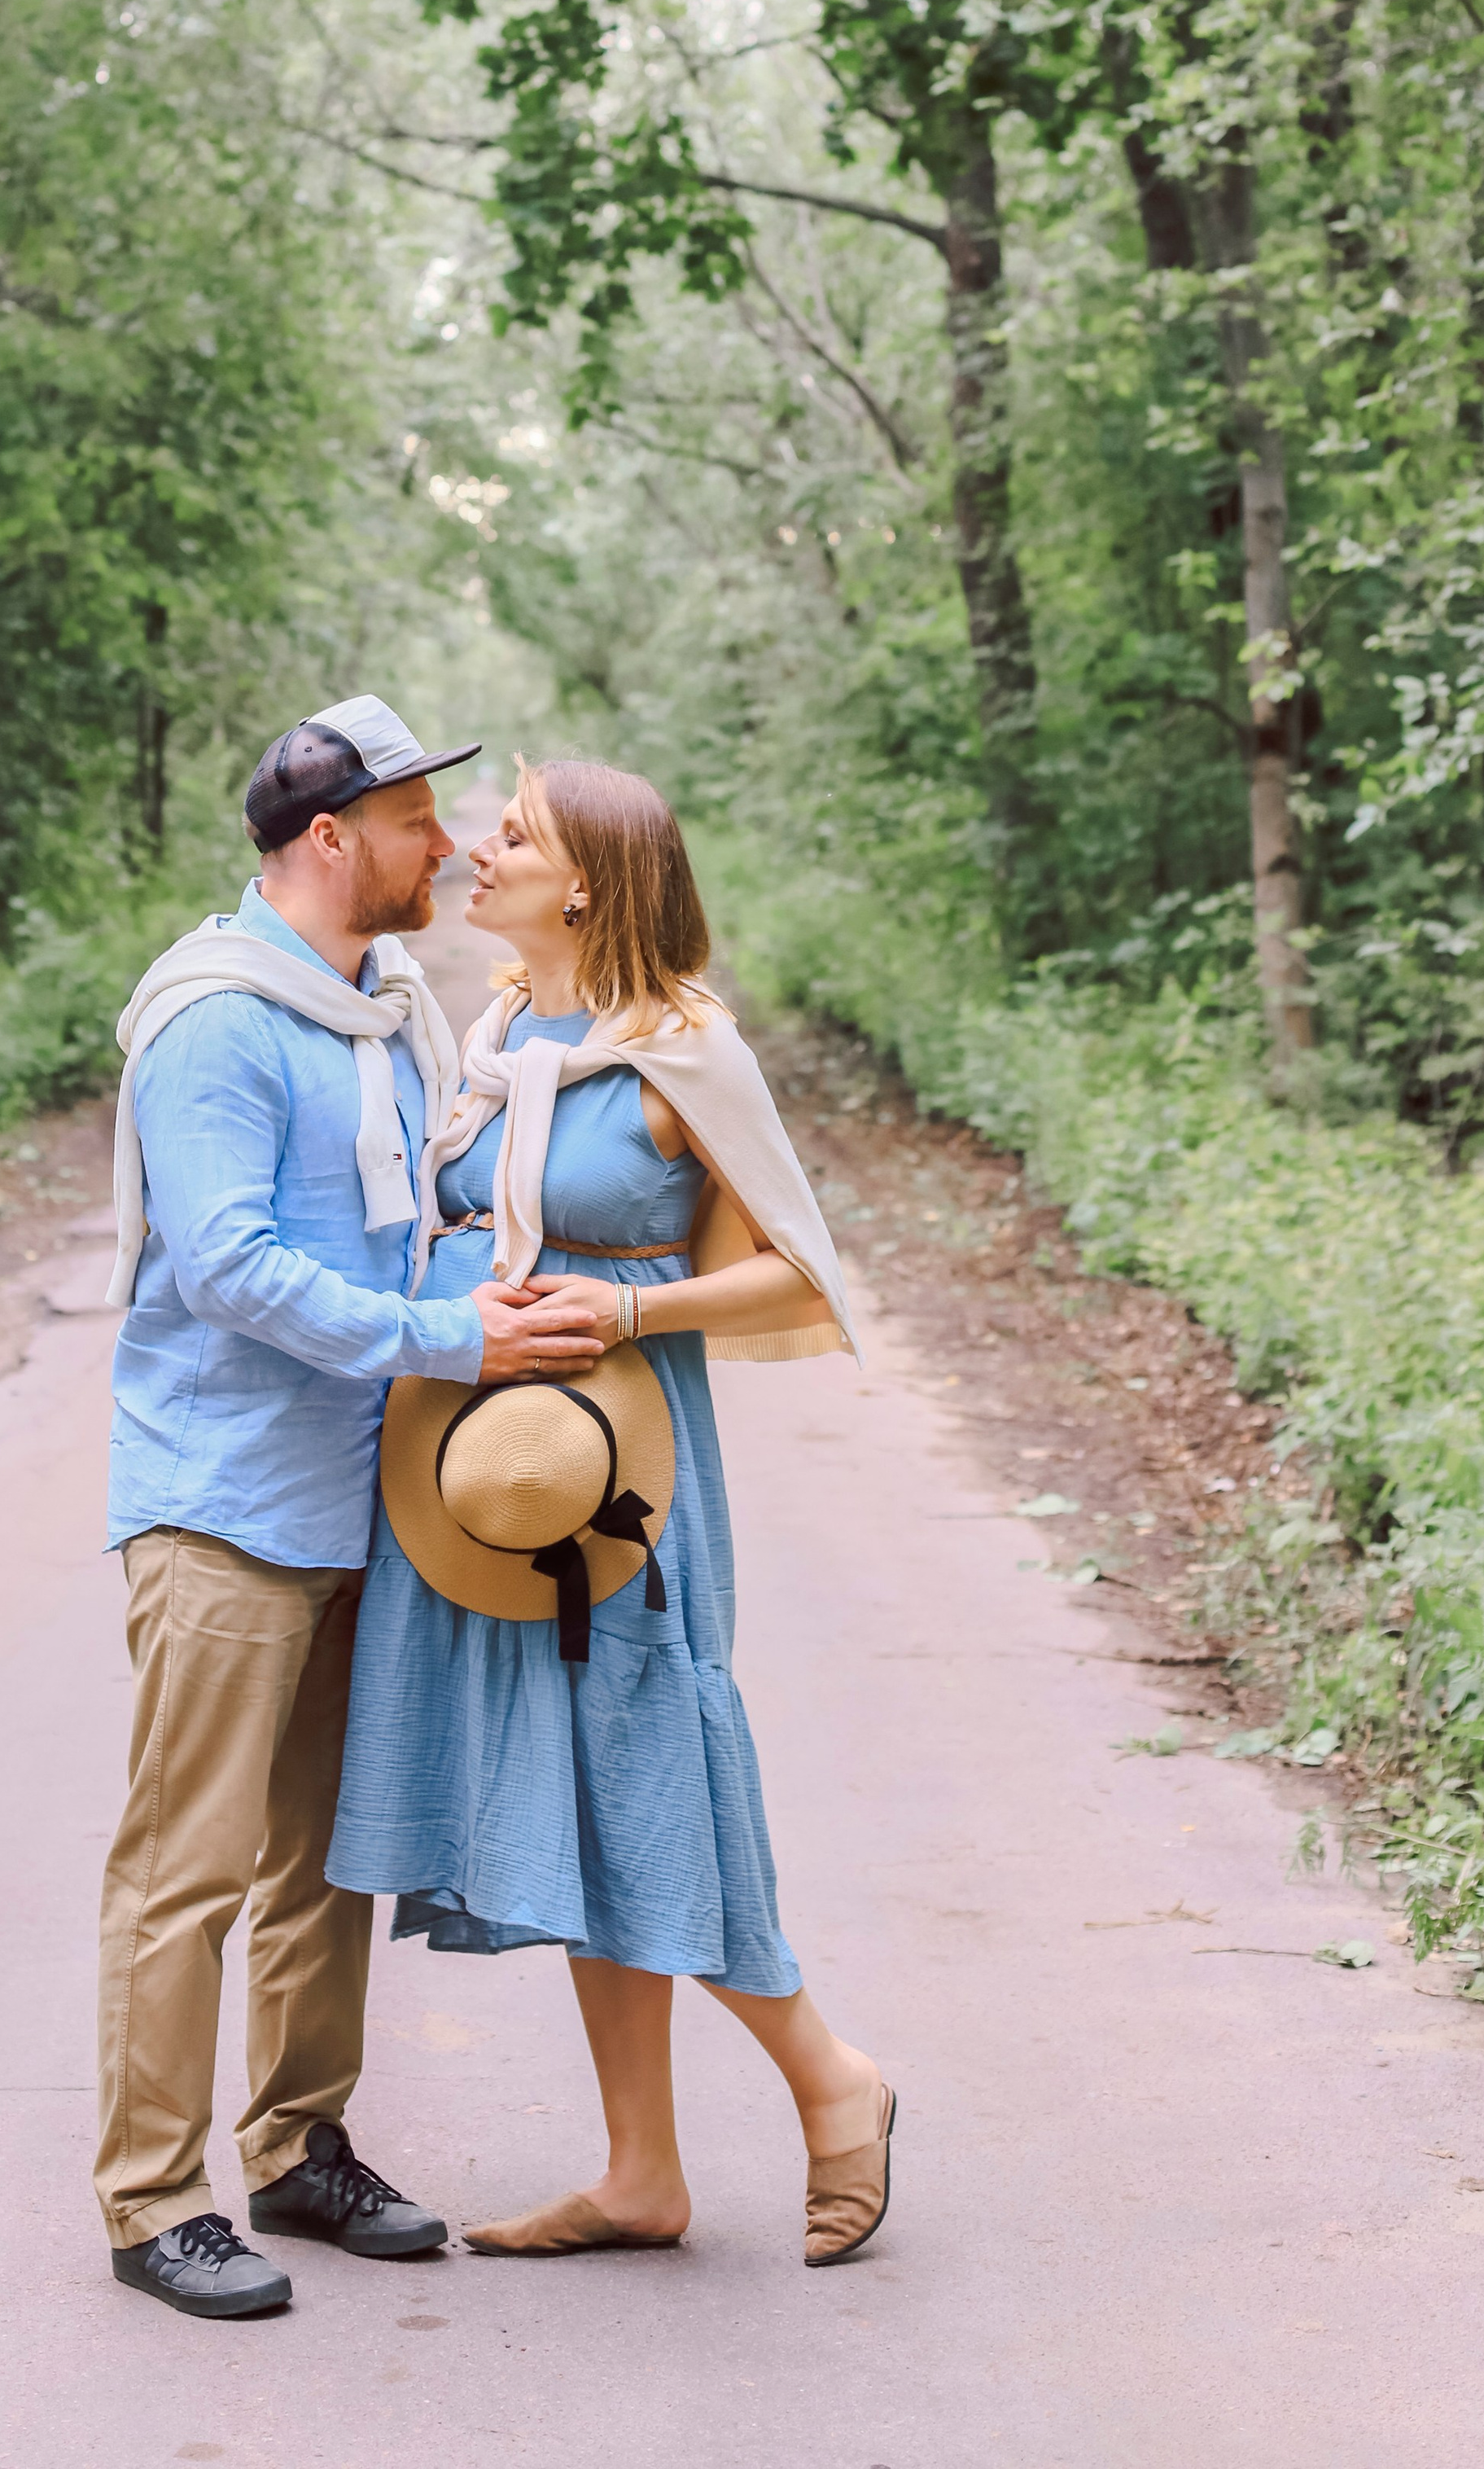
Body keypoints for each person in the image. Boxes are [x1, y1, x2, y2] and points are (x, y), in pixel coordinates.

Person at [327, 756, 896, 2268]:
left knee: (651, 1776)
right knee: (577, 1796)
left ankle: (835, 2083)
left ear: (585, 882)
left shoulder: (681, 1049)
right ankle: (643, 2169)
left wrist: (633, 1315)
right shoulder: (506, 1032)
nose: (477, 853)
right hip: (492, 1456)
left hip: (621, 1467)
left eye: (511, 838)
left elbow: (796, 1273)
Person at [94, 696, 609, 2321]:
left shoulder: (385, 1002)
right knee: (187, 1871)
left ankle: (295, 2150)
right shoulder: (215, 1024)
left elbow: (411, 1225)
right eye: (414, 823)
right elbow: (231, 1271)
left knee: (321, 1865)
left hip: (356, 1502)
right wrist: (449, 1338)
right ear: (331, 840)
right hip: (223, 1506)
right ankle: (150, 2200)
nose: (447, 850)